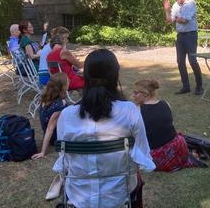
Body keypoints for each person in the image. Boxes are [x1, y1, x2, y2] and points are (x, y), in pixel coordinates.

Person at [53, 49, 155, 208]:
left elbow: (64, 159)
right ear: (115, 76)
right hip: (120, 194)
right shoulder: (130, 111)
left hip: (79, 195)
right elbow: (142, 155)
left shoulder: (66, 115)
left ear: (85, 76)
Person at [132, 79, 195, 172]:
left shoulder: (137, 110)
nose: (133, 95)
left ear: (145, 94)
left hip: (159, 155)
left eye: (136, 93)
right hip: (178, 147)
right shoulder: (166, 103)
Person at [163, 0, 203, 95]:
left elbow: (184, 20)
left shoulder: (191, 3)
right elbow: (169, 20)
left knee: (192, 61)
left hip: (190, 35)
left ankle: (199, 86)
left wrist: (175, 18)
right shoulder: (175, 5)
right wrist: (167, 10)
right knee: (180, 61)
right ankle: (186, 87)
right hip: (180, 36)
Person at [31, 73, 68, 160]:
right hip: (57, 138)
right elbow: (50, 128)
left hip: (50, 135)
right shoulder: (60, 104)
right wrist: (43, 152)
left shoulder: (45, 99)